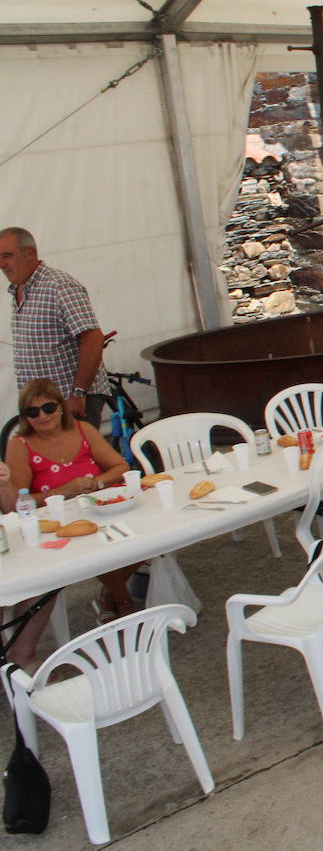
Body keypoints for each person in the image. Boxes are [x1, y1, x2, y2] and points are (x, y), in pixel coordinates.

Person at [6, 378, 137, 639]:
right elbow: (18, 504)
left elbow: (121, 467)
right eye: (32, 412)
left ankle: (110, 594)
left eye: (48, 408)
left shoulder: (82, 429)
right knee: (100, 543)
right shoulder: (20, 445)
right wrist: (61, 492)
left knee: (145, 538)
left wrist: (97, 482)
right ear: (24, 417)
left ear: (61, 407)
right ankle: (122, 600)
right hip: (55, 523)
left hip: (97, 507)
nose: (42, 416)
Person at [1, 227, 111, 425]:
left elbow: (92, 338)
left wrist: (78, 393)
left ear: (30, 253)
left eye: (7, 256)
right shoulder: (20, 288)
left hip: (69, 400)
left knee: (77, 456)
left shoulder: (58, 286)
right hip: (43, 405)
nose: (2, 264)